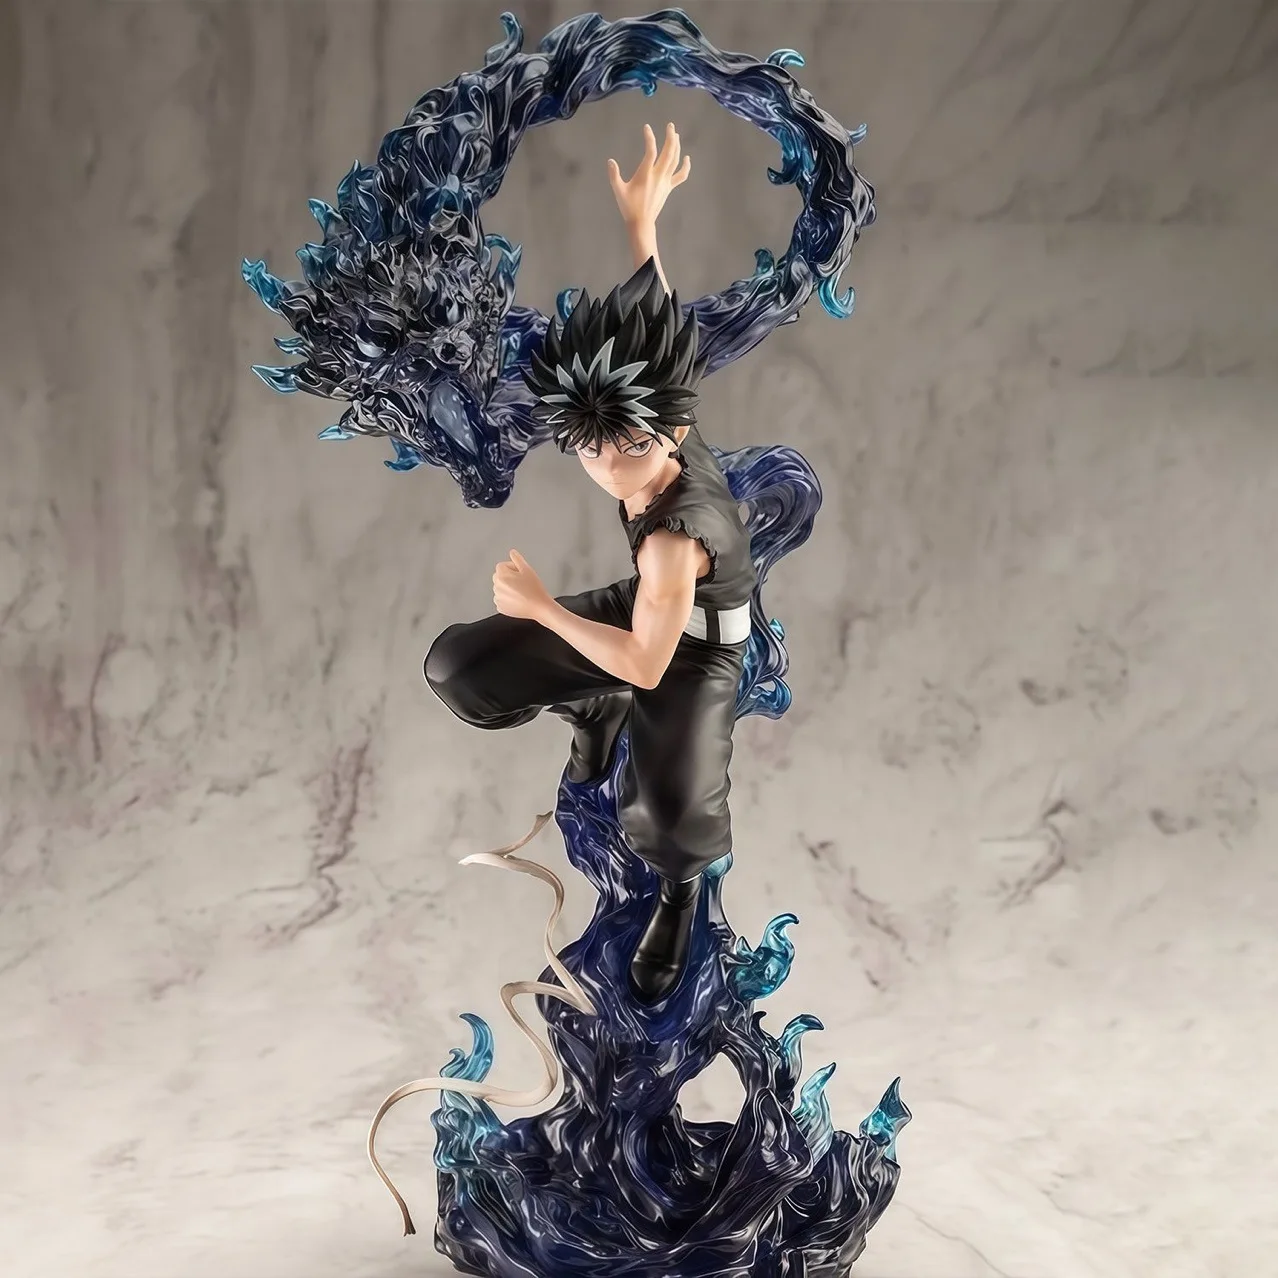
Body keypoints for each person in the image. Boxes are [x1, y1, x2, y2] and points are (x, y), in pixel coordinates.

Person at [424, 124, 756, 1003]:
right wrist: (644, 228)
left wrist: (544, 609)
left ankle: (681, 899)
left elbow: (648, 662)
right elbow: (658, 332)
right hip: (644, 609)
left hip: (694, 648)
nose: (609, 467)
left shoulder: (677, 534)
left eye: (629, 447)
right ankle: (590, 705)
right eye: (590, 447)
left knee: (672, 815)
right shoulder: (651, 418)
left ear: (673, 432)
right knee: (463, 667)